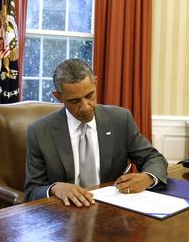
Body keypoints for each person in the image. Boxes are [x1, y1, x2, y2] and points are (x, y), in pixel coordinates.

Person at [24, 58, 168, 207]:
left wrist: (147, 178)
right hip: (65, 214)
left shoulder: (120, 119)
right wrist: (53, 188)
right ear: (58, 97)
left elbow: (154, 158)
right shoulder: (39, 132)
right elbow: (32, 191)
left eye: (89, 95)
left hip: (112, 209)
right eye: (74, 101)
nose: (85, 107)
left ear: (95, 83)